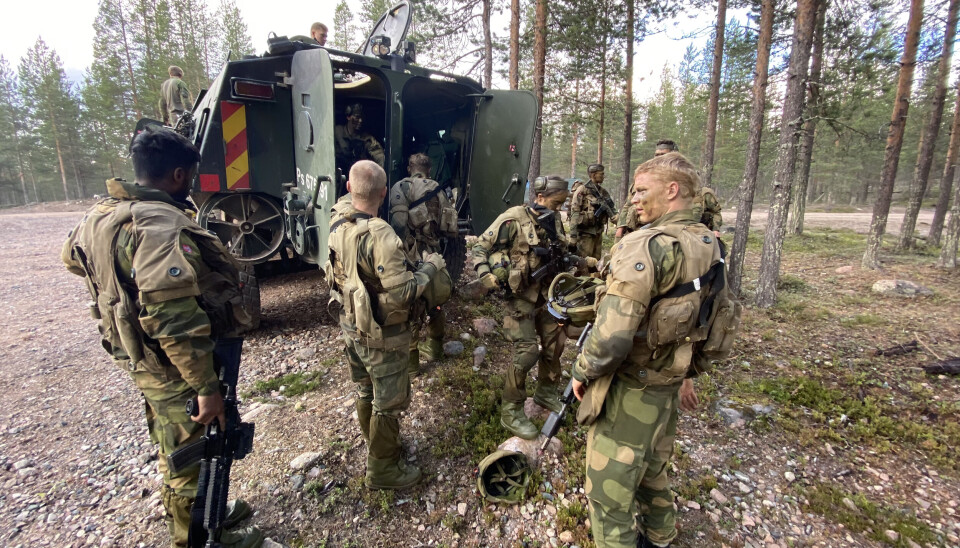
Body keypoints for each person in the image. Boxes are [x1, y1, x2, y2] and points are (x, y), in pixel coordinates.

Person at [61, 128, 265, 548]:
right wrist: (205, 387)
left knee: (177, 438)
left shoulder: (103, 214)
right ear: (177, 174)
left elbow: (73, 260)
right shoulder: (156, 225)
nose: (189, 184)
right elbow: (172, 317)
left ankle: (211, 513)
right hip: (176, 365)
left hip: (143, 355)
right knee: (192, 450)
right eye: (189, 176)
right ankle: (198, 536)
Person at [571, 152, 723, 548]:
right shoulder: (710, 243)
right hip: (668, 383)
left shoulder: (645, 246)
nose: (634, 199)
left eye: (641, 191)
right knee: (653, 469)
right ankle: (661, 537)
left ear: (672, 190)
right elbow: (714, 321)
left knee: (607, 494)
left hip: (632, 388)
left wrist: (582, 370)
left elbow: (612, 336)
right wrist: (688, 374)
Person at [325, 160, 446, 489]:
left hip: (350, 324)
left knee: (365, 388)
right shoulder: (381, 235)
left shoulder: (338, 217)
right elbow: (405, 291)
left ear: (349, 189)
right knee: (389, 402)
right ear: (383, 192)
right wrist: (431, 267)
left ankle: (374, 443)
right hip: (381, 332)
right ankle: (382, 469)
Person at [471, 175, 589, 439]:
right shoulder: (513, 219)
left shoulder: (554, 219)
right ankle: (511, 411)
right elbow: (480, 246)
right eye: (556, 203)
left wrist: (583, 261)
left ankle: (546, 392)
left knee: (554, 343)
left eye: (562, 204)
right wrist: (484, 274)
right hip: (520, 298)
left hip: (547, 295)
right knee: (526, 353)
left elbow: (562, 249)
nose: (559, 209)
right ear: (539, 198)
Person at [389, 153, 455, 374]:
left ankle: (411, 365)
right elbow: (449, 226)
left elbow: (398, 225)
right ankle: (436, 348)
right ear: (429, 169)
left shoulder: (401, 187)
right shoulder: (439, 189)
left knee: (412, 306)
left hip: (412, 254)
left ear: (410, 167)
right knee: (436, 301)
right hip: (434, 252)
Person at [615, 139, 723, 240]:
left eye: (664, 154)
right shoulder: (641, 184)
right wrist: (620, 228)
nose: (659, 158)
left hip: (683, 237)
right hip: (644, 234)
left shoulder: (695, 189)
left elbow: (715, 212)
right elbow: (628, 206)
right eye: (657, 155)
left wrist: (715, 230)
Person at [569, 163, 616, 260]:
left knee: (596, 262)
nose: (603, 176)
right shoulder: (582, 190)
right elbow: (574, 213)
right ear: (594, 175)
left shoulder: (603, 192)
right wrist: (573, 237)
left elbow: (612, 209)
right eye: (601, 174)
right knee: (584, 262)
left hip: (598, 232)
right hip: (585, 234)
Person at [334, 103, 386, 181]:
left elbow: (379, 156)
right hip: (338, 177)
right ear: (348, 117)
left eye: (362, 118)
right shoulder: (336, 132)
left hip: (357, 179)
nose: (360, 121)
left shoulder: (366, 138)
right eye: (357, 117)